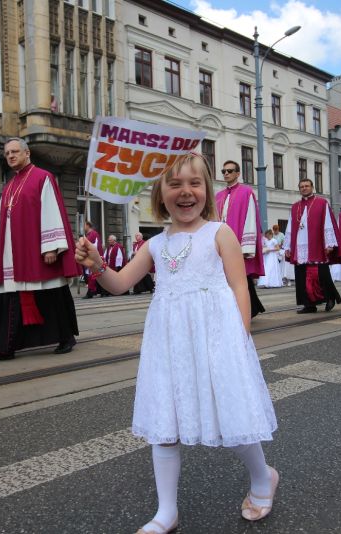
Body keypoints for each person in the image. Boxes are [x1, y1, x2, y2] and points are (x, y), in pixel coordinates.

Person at [74, 153, 278, 533]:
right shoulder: (154, 244)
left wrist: (240, 336)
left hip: (217, 339)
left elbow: (238, 285)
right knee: (164, 423)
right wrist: (97, 265)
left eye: (194, 183)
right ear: (160, 193)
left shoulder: (220, 232)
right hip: (169, 345)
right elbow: (118, 284)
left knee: (230, 418)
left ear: (207, 190)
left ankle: (263, 476)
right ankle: (166, 511)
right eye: (175, 184)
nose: (186, 192)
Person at [0, 137, 80, 361]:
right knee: (9, 296)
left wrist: (51, 247)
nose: (11, 156)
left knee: (52, 292)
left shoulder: (42, 177)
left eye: (15, 151)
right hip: (12, 253)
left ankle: (66, 337)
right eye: (7, 153)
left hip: (37, 248)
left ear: (27, 153)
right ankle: (4, 346)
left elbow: (51, 211)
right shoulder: (9, 186)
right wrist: (0, 254)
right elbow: (3, 222)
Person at [283, 178, 341, 313]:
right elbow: (289, 227)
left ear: (312, 187)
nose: (304, 188)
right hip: (299, 247)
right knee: (301, 276)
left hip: (317, 244)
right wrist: (288, 246)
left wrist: (329, 243)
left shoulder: (322, 203)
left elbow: (328, 223)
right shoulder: (295, 206)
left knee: (322, 275)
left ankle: (330, 298)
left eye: (307, 186)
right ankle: (309, 305)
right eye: (302, 187)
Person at [215, 160, 265, 317]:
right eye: (224, 171)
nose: (226, 174)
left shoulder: (246, 192)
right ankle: (250, 308)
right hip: (222, 244)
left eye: (230, 171)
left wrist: (247, 247)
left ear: (238, 173)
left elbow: (250, 218)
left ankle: (248, 309)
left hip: (238, 244)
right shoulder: (218, 195)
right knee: (229, 279)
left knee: (241, 278)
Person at [83, 221, 104, 298]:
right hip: (92, 257)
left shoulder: (93, 234)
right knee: (96, 275)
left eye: (84, 225)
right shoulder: (89, 234)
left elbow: (90, 245)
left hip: (95, 258)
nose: (83, 227)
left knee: (93, 276)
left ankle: (91, 292)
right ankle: (100, 291)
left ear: (88, 225)